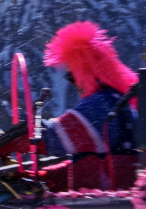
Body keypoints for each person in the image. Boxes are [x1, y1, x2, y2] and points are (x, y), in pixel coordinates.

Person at [39, 21, 139, 189]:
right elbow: (91, 157)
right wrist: (50, 174)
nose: (72, 84)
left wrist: (7, 141)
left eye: (71, 76)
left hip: (105, 197)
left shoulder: (99, 105)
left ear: (84, 71)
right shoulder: (119, 99)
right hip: (123, 191)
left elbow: (50, 138)